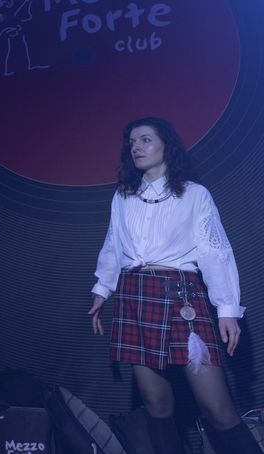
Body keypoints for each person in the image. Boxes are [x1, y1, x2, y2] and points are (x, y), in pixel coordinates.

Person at [88, 117, 260, 453]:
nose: (136, 147)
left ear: (166, 145)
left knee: (218, 409)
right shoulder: (123, 196)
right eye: (132, 142)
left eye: (145, 139)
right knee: (157, 407)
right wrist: (101, 290)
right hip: (135, 298)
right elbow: (113, 245)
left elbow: (215, 251)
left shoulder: (194, 194)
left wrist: (227, 310)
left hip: (182, 297)